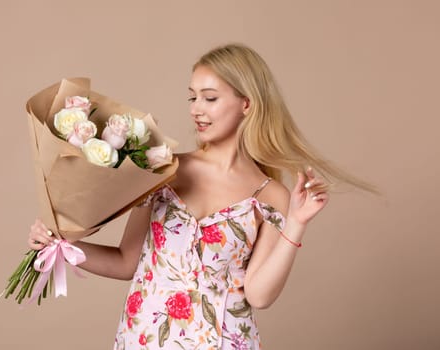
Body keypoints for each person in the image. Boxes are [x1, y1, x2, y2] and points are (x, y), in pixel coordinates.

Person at [29, 43, 372, 349]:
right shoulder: (163, 170)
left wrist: (296, 223)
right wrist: (59, 245)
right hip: (145, 339)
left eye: (210, 98)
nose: (196, 109)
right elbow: (126, 261)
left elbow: (258, 295)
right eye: (192, 97)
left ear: (246, 104)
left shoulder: (271, 196)